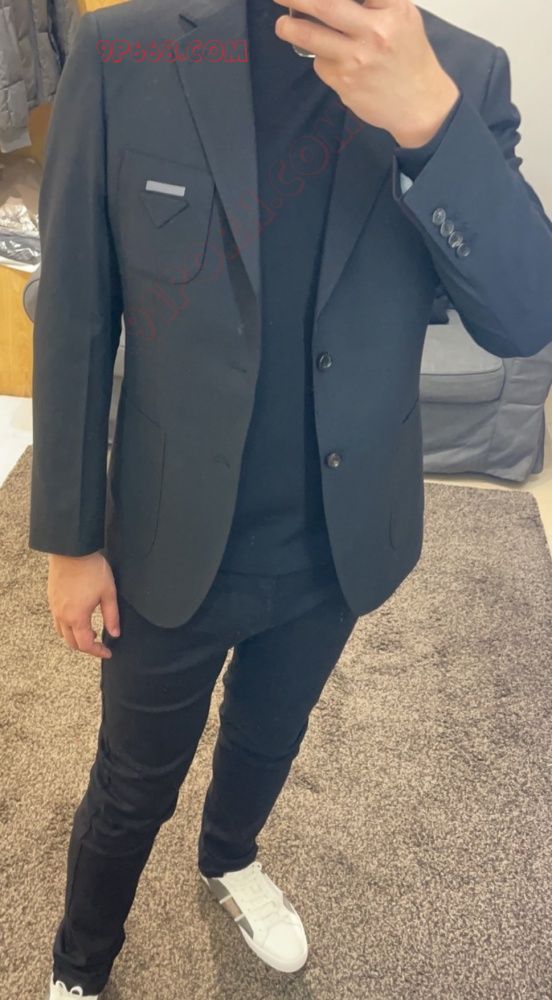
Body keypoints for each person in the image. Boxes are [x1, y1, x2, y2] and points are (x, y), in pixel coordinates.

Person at [29, 0, 552, 996]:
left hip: (340, 542)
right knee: (131, 783)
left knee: (272, 734)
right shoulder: (126, 50)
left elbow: (526, 315)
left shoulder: (461, 75)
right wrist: (70, 537)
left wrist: (430, 122)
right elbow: (76, 313)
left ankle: (230, 857)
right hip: (170, 536)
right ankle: (80, 962)